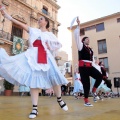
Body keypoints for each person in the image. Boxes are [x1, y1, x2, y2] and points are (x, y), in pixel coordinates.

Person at [0, 6, 68, 119]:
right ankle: (35, 108)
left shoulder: (51, 35)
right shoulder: (33, 30)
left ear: (46, 22)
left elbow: (57, 45)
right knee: (33, 82)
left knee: (55, 79)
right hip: (33, 56)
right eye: (39, 19)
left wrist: (48, 45)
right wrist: (6, 14)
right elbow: (19, 23)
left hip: (46, 57)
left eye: (41, 19)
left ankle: (59, 99)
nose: (39, 20)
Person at [73, 17, 102, 107]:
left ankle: (93, 91)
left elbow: (92, 60)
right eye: (87, 39)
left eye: (89, 39)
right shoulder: (80, 46)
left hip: (90, 66)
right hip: (83, 67)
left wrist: (97, 66)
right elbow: (77, 37)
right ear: (83, 40)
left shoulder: (90, 49)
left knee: (99, 76)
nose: (88, 40)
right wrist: (78, 26)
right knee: (86, 84)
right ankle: (86, 100)